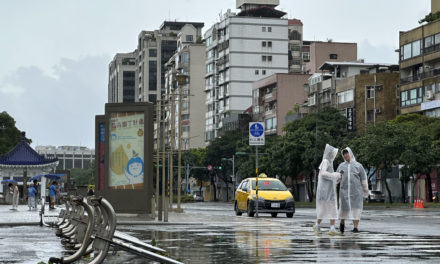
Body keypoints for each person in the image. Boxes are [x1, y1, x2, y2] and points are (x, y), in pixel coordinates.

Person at [336, 147, 369, 233]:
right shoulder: (341, 166)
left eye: (347, 153)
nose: (346, 155)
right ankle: (342, 223)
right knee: (343, 209)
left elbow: (363, 179)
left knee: (356, 209)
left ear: (350, 153)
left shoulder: (359, 166)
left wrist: (366, 190)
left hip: (356, 192)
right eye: (344, 154)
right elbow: (337, 178)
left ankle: (355, 227)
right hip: (344, 192)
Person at [313, 144, 342, 235]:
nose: (334, 155)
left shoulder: (330, 162)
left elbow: (330, 176)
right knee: (330, 208)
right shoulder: (325, 161)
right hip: (325, 191)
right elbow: (323, 174)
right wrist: (335, 175)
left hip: (329, 190)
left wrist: (337, 178)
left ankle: (318, 226)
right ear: (330, 153)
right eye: (333, 153)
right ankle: (331, 228)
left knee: (327, 209)